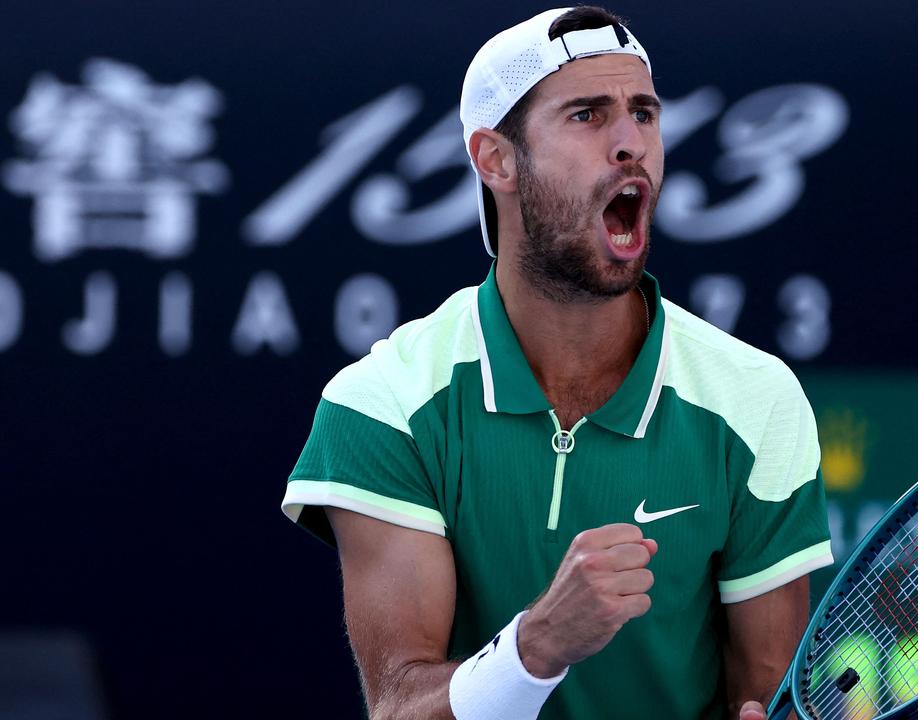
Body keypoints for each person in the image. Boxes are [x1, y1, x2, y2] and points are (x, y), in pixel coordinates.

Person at [281, 7, 832, 719]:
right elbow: (398, 706)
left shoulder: (758, 401)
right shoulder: (383, 405)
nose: (631, 143)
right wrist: (535, 648)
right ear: (496, 159)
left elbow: (766, 692)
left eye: (644, 113)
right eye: (587, 115)